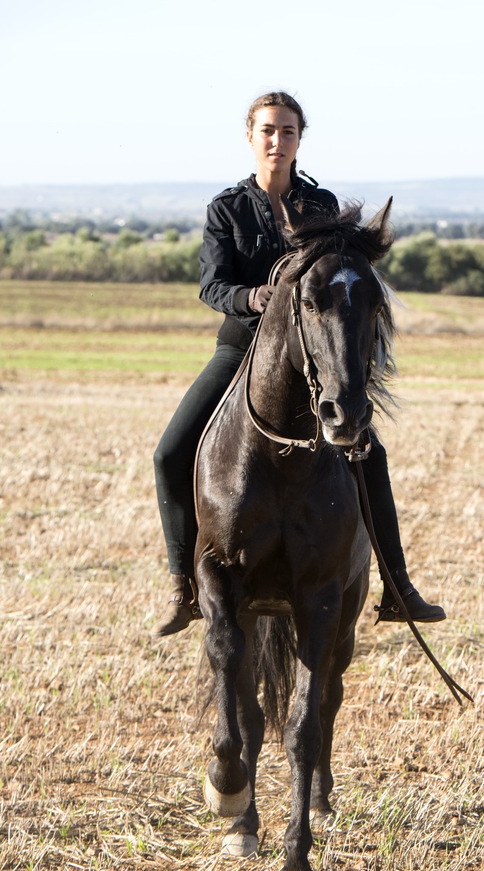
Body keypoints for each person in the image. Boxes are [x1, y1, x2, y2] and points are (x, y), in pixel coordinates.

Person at [152, 91, 445, 638]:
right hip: (242, 349)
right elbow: (212, 285)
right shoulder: (227, 209)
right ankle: (182, 587)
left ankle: (398, 587)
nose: (276, 141)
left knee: (368, 451)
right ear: (250, 137)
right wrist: (252, 299)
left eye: (287, 132)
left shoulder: (321, 204)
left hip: (313, 355)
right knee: (170, 451)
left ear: (298, 139)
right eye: (267, 131)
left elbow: (339, 273)